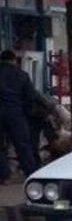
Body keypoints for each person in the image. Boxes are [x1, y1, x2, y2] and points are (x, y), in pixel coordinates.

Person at [0, 50, 37, 181]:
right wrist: (27, 113)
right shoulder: (22, 75)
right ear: (14, 60)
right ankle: (31, 173)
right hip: (16, 114)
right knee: (23, 145)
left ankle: (4, 175)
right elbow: (30, 97)